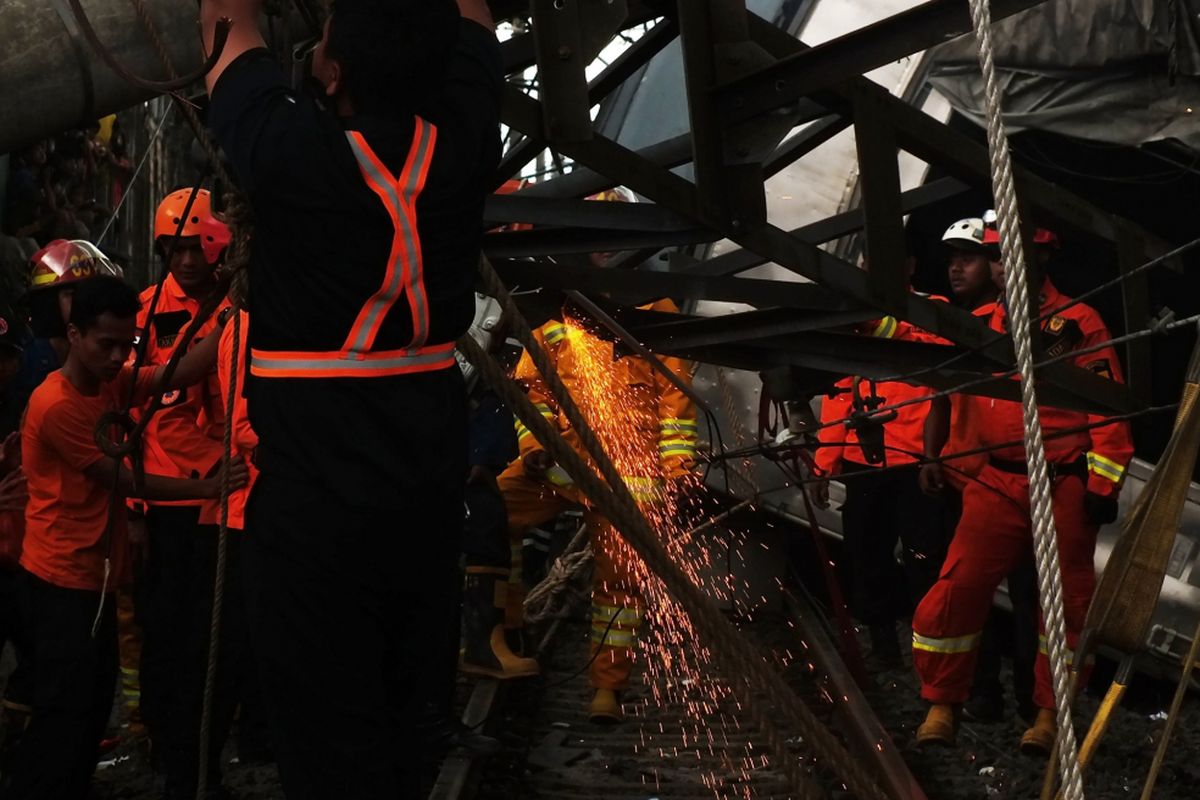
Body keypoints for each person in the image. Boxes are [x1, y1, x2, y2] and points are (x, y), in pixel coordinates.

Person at [200, 1, 502, 796]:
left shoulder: (293, 151)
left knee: (330, 753)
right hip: (423, 506)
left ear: (330, 71)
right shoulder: (464, 142)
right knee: (406, 734)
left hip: (314, 524)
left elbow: (224, 18)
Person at [0, 275, 245, 800]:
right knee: (64, 712)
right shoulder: (57, 403)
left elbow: (177, 371)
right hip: (61, 578)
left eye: (125, 345)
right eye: (104, 344)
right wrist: (208, 488)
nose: (117, 357)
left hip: (94, 576)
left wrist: (227, 316)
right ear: (74, 333)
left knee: (88, 706)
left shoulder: (108, 381)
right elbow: (124, 479)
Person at [912, 225, 1135, 754]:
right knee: (957, 588)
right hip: (995, 483)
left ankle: (1049, 716)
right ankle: (942, 703)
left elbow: (1108, 404)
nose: (999, 264)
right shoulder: (981, 325)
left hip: (1061, 484)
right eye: (995, 256)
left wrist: (1103, 484)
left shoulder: (1078, 324)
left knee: (1064, 606)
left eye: (1010, 255)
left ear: (1042, 258)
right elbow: (940, 378)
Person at [498, 286, 698, 723]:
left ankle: (607, 689)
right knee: (491, 515)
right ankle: (503, 629)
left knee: (620, 588)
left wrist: (679, 469)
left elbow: (676, 402)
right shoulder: (555, 306)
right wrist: (534, 445)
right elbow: (532, 391)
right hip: (561, 464)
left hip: (629, 477)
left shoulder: (655, 308)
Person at [132, 188, 234, 798]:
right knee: (165, 636)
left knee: (216, 642)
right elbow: (131, 417)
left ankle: (206, 757)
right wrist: (135, 513)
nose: (186, 260)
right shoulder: (144, 314)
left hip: (225, 503)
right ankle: (173, 754)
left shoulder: (239, 307)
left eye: (195, 247)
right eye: (175, 248)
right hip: (168, 504)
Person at [809, 244, 952, 668]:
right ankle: (884, 645)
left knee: (925, 560)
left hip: (915, 464)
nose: (874, 269)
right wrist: (825, 463)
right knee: (866, 554)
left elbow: (925, 346)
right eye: (870, 262)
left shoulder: (933, 311)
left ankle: (932, 653)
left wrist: (872, 321)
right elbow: (838, 396)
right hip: (863, 463)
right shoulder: (855, 323)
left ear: (909, 265)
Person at [920, 216, 1037, 725]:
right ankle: (980, 694)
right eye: (952, 260)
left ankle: (1035, 703)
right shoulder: (968, 327)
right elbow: (941, 397)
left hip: (1019, 488)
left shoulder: (1026, 327)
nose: (956, 269)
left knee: (1031, 599)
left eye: (968, 257)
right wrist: (932, 456)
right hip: (964, 485)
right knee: (969, 598)